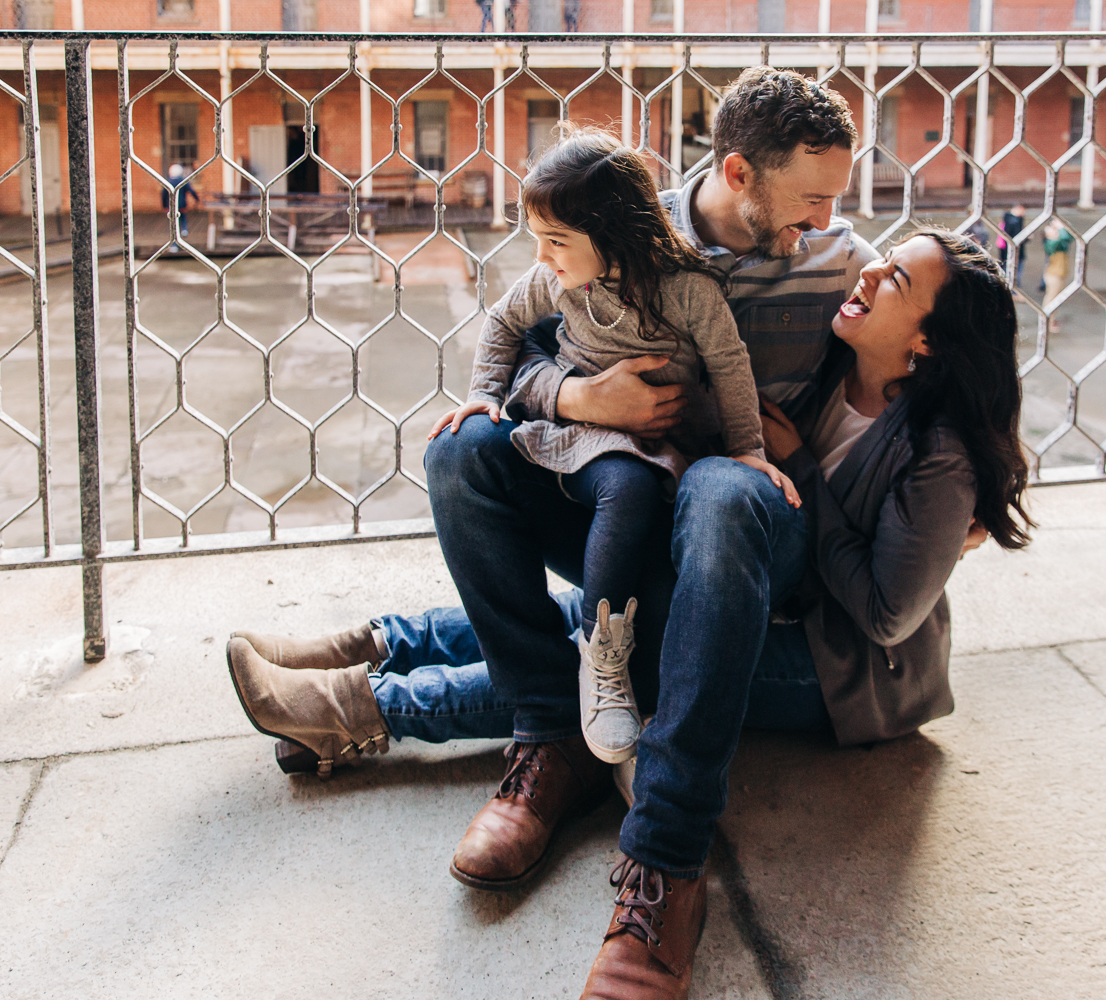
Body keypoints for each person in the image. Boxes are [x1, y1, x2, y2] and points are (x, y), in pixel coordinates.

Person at [228, 66, 898, 998]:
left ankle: (665, 860)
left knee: (713, 494)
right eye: (811, 198)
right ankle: (552, 740)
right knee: (463, 456)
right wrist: (583, 397)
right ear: (738, 172)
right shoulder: (613, 217)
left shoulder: (845, 266)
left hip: (737, 529)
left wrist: (964, 485)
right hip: (614, 491)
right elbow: (522, 347)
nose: (827, 219)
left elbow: (925, 373)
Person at [424, 126, 794, 765]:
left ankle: (601, 649)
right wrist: (485, 394)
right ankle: (570, 680)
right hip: (571, 436)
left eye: (556, 241)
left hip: (653, 450)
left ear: (615, 231)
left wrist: (749, 451)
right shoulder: (560, 282)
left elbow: (731, 368)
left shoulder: (687, 289)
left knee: (631, 487)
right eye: (537, 239)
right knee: (466, 454)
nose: (541, 256)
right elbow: (504, 323)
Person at [1041, 217, 1073, 332]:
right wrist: (1061, 227)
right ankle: (1048, 322)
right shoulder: (1051, 244)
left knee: (1056, 298)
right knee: (1051, 298)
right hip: (1053, 275)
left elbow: (1070, 237)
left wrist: (1063, 227)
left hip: (1060, 273)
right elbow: (1064, 237)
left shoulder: (1060, 244)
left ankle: (1051, 319)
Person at [161, 162, 199, 247]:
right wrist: (196, 198)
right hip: (182, 204)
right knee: (183, 218)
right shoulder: (183, 181)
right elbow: (191, 190)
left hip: (171, 206)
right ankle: (184, 230)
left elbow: (163, 194)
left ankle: (174, 245)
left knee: (173, 224)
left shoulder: (167, 182)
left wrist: (164, 205)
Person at [1002, 202, 1026, 281]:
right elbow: (1013, 235)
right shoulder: (1013, 221)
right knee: (1013, 274)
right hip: (1011, 251)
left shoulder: (1015, 220)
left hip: (1013, 252)